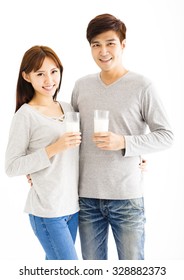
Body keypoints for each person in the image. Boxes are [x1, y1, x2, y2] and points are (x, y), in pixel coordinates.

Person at [71, 13, 174, 260]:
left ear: (123, 44)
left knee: (132, 271)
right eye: (96, 45)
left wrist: (125, 143)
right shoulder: (81, 86)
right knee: (93, 272)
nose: (103, 51)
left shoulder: (142, 86)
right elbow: (70, 138)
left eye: (110, 43)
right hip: (86, 198)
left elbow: (166, 135)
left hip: (127, 198)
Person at [5, 45, 81, 260]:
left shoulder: (69, 109)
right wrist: (53, 149)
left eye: (53, 71)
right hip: (48, 211)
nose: (49, 80)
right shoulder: (25, 115)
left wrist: (133, 158)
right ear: (27, 76)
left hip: (73, 207)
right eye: (40, 74)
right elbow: (11, 167)